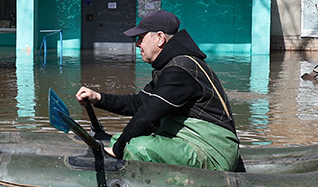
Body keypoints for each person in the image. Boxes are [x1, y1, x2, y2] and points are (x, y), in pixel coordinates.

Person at [75, 9, 242, 171]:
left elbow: (148, 115)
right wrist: (98, 98)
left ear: (160, 38)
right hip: (193, 141)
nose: (137, 44)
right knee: (120, 139)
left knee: (138, 148)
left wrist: (117, 150)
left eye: (140, 38)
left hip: (213, 151)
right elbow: (139, 102)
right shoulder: (173, 64)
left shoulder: (180, 69)